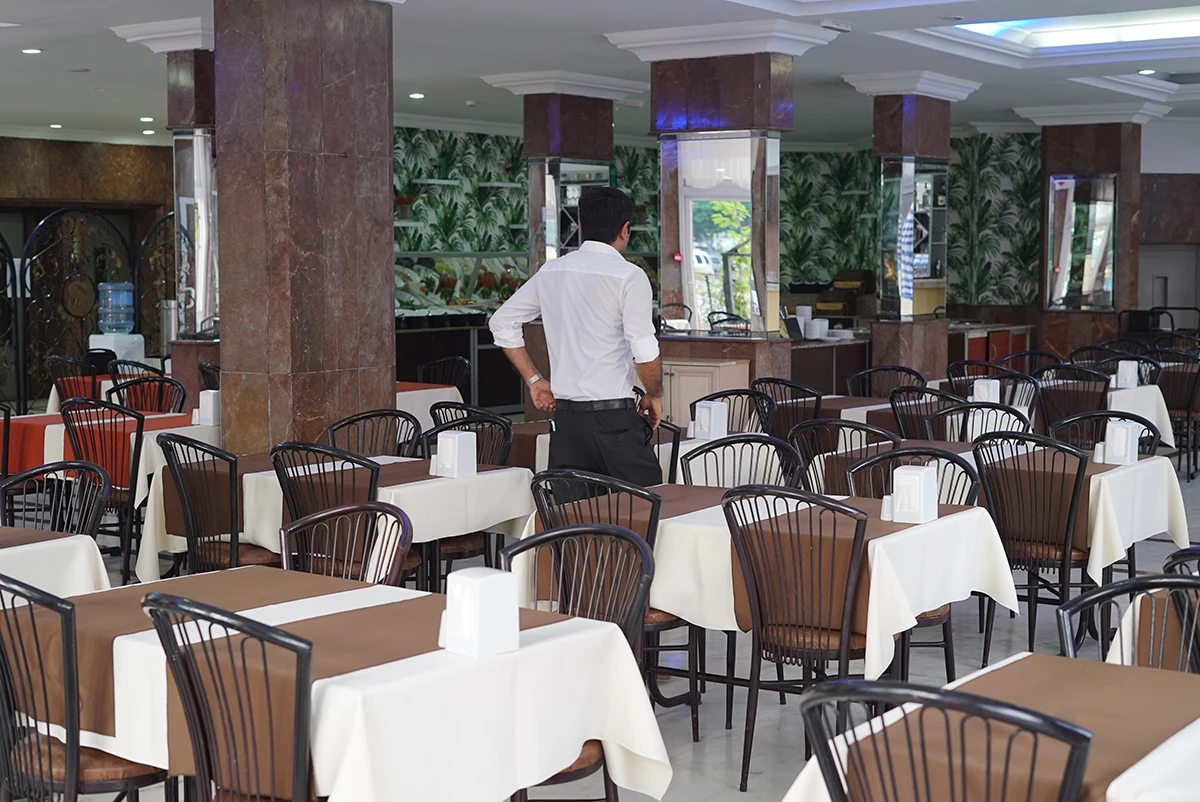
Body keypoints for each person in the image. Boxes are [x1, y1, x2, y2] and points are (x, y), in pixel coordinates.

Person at [489, 186, 663, 486]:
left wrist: (534, 380)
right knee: (648, 504)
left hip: (567, 423)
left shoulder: (552, 271)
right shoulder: (629, 276)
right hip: (614, 422)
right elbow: (644, 349)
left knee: (571, 513)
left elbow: (502, 322)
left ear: (581, 225)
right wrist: (655, 394)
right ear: (625, 230)